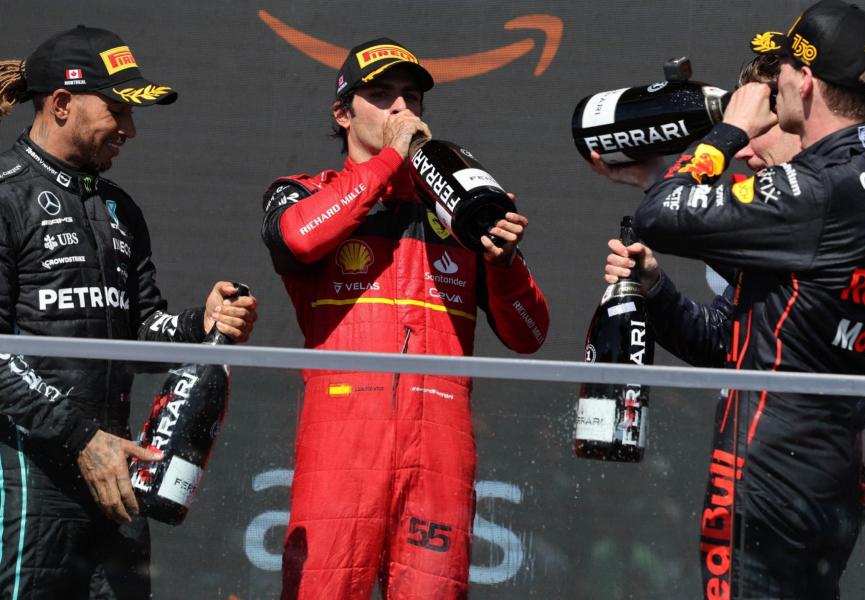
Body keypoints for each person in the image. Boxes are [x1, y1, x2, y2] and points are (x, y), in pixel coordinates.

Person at [593, 1, 865, 597]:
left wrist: (724, 133)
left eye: (769, 112)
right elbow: (736, 344)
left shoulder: (815, 192)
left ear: (806, 85)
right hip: (818, 473)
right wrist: (658, 290)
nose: (746, 150)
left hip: (767, 469)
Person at [260, 38, 549, 599]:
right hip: (340, 446)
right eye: (381, 95)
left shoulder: (459, 210)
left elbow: (530, 334)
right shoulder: (300, 192)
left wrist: (504, 263)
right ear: (342, 112)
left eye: (410, 97)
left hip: (440, 446)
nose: (400, 109)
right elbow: (299, 237)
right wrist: (393, 159)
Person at [0, 26, 258, 599]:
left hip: (116, 474)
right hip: (25, 481)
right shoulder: (5, 196)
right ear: (62, 104)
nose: (131, 130)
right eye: (117, 110)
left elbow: (141, 331)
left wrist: (201, 326)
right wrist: (81, 438)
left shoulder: (121, 209)